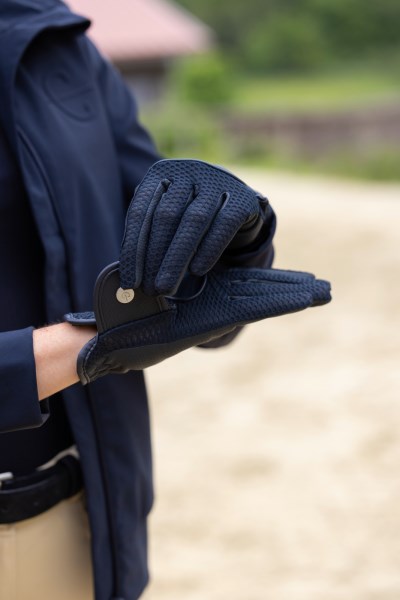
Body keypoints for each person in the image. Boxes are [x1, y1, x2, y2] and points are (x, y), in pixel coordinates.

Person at [0, 2, 280, 600]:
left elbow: (185, 285)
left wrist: (236, 239)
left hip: (70, 529)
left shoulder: (60, 46)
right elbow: (129, 326)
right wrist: (91, 344)